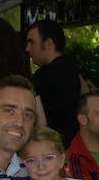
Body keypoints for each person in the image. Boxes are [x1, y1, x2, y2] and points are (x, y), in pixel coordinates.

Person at [25, 18, 82, 147]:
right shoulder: (75, 70)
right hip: (74, 146)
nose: (27, 48)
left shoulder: (43, 76)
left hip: (51, 146)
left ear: (48, 44)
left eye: (32, 42)